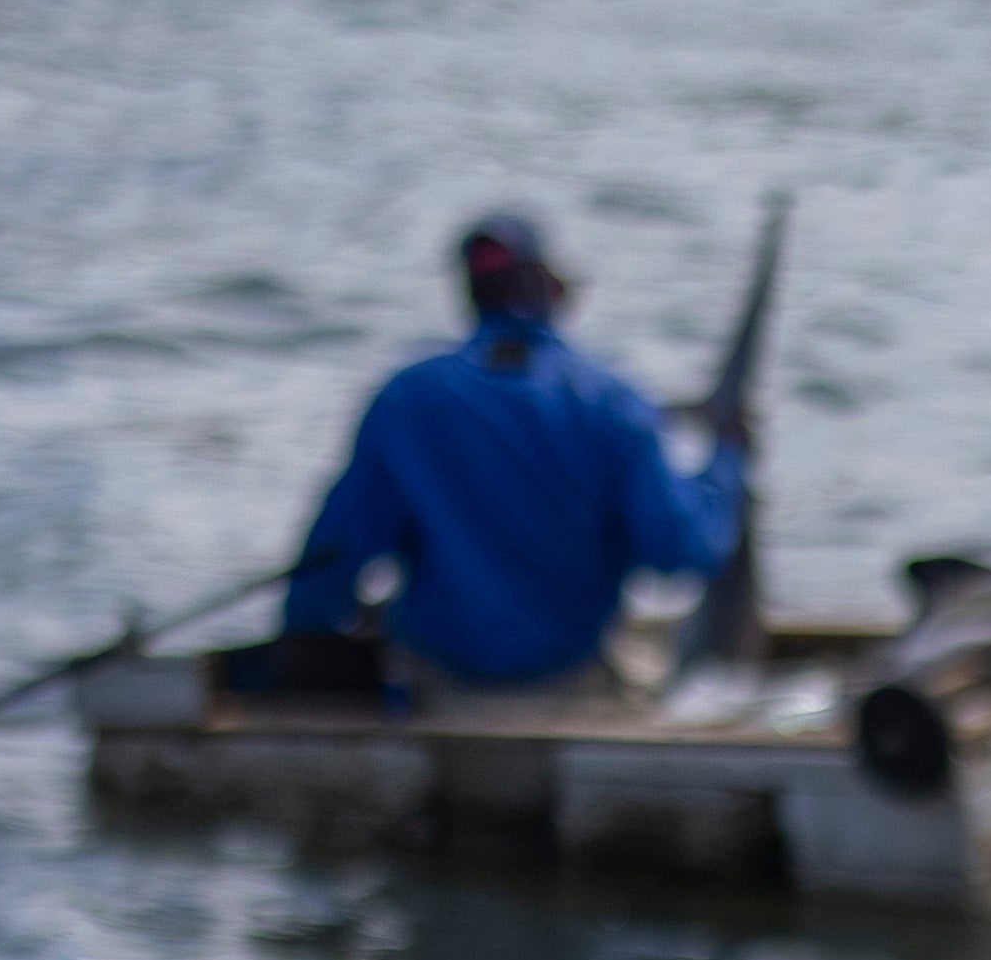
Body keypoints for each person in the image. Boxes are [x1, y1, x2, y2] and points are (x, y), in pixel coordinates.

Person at [276, 209, 748, 696]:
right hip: (573, 688)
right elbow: (681, 551)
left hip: (438, 695)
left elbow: (329, 565)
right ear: (554, 291)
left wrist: (301, 661)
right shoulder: (611, 401)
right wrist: (726, 467)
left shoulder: (407, 400)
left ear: (471, 297)